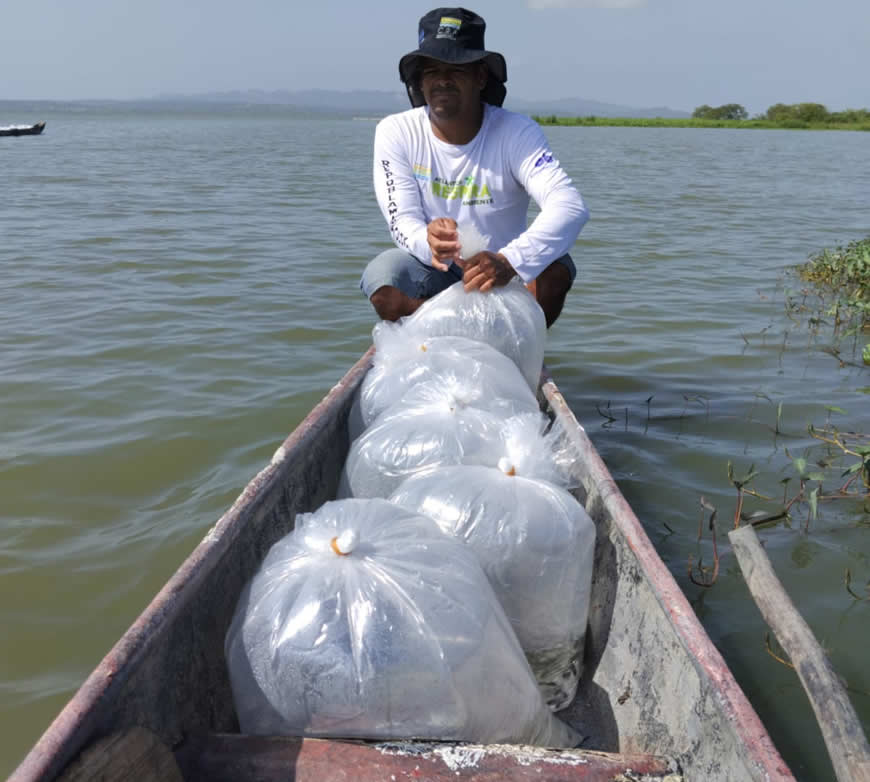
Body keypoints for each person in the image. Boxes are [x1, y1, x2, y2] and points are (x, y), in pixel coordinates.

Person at [361, 7, 589, 328]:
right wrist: (429, 243)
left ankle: (518, 344)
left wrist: (509, 261)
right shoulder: (395, 131)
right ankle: (437, 335)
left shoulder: (516, 132)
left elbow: (570, 207)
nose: (442, 80)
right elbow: (402, 221)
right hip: (436, 271)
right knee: (383, 280)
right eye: (431, 70)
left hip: (504, 274)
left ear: (481, 77)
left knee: (556, 271)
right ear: (419, 81)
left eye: (455, 68)